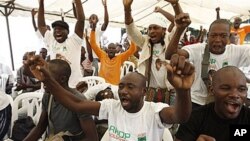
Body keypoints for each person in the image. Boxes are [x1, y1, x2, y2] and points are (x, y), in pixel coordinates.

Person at [27, 53, 194, 141]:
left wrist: (183, 91)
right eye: (121, 86)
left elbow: (181, 116)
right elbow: (75, 104)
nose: (123, 91)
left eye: (130, 87)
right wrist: (47, 79)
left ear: (144, 92)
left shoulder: (155, 112)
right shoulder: (112, 107)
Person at [166, 18, 250, 109]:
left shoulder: (237, 51)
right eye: (213, 35)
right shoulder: (197, 49)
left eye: (223, 36)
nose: (217, 40)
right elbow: (170, 55)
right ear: (208, 35)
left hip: (224, 105)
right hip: (196, 103)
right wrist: (179, 30)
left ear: (229, 37)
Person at [123, 0, 185, 104]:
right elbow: (131, 30)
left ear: (164, 30)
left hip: (171, 92)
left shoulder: (170, 40)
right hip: (150, 91)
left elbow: (181, 25)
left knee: (172, 119)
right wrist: (127, 9)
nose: (151, 31)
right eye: (150, 28)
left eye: (155, 28)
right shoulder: (145, 41)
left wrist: (175, 4)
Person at [24, 59, 98, 141]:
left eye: (47, 77)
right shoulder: (48, 96)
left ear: (62, 79)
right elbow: (40, 128)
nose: (43, 80)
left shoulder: (78, 100)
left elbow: (92, 138)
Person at [175, 66, 250, 141]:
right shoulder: (194, 118)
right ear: (212, 90)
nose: (235, 95)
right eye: (226, 88)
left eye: (241, 89)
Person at [37, 0, 85, 88]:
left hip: (74, 86)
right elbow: (41, 26)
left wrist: (77, 2)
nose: (57, 31)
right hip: (56, 85)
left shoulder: (74, 40)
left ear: (68, 32)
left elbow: (81, 20)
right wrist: (41, 3)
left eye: (61, 29)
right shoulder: (51, 40)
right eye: (55, 29)